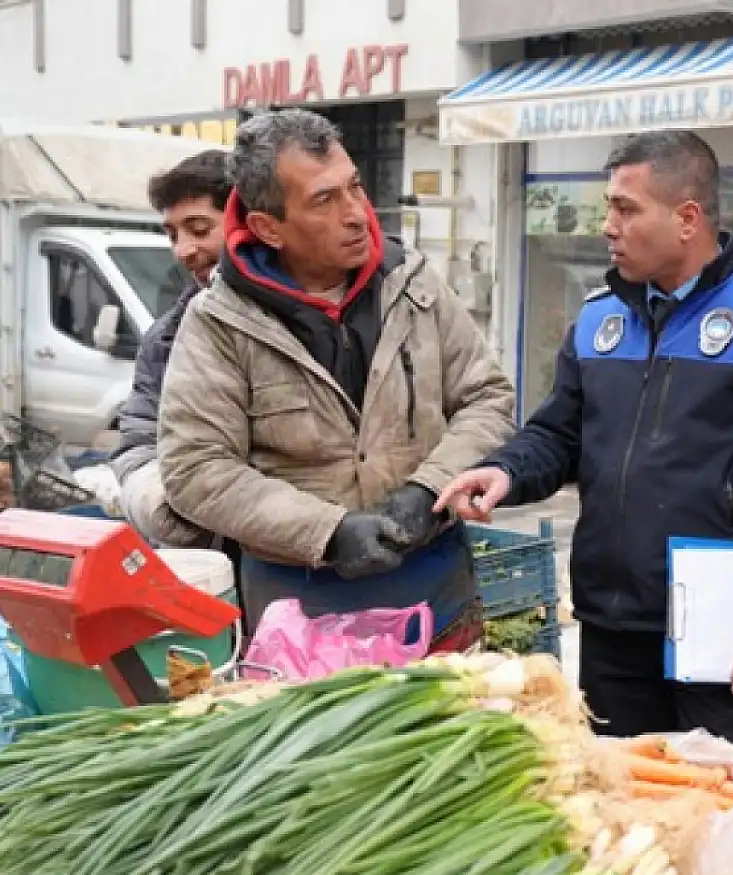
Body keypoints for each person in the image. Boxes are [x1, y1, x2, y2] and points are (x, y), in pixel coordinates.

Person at [435, 131, 733, 758]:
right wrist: (505, 472)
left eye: (626, 209)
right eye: (608, 207)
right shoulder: (598, 319)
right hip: (611, 625)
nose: (607, 226)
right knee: (621, 808)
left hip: (721, 637)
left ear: (687, 219)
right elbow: (558, 433)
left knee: (724, 818)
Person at [157, 110, 515, 651]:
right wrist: (328, 531)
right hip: (301, 606)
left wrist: (428, 489)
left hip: (434, 581)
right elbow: (196, 468)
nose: (356, 215)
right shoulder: (218, 322)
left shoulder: (413, 284)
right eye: (324, 201)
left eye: (355, 188)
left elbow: (487, 398)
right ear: (267, 228)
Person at [109, 149, 229, 548]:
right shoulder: (164, 339)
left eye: (199, 229)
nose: (182, 250)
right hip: (209, 564)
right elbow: (138, 444)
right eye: (174, 234)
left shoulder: (308, 319)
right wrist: (158, 500)